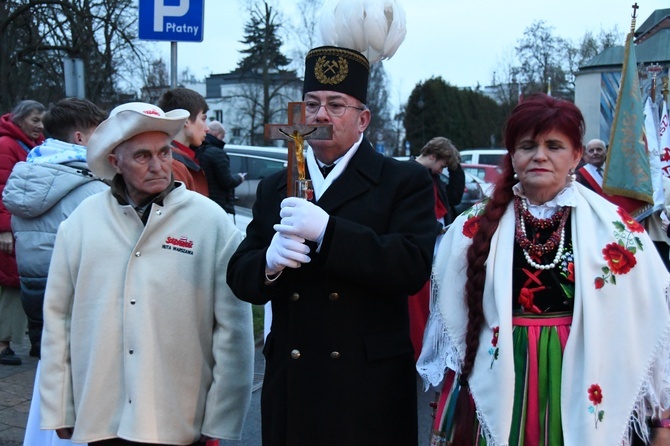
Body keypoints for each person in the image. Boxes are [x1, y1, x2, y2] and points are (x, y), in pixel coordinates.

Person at [417, 94, 670, 446]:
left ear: (576, 155)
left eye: (554, 145)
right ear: (513, 155)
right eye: (527, 145)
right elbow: (455, 325)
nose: (539, 155)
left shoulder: (616, 230)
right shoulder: (471, 228)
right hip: (498, 370)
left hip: (581, 368)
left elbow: (646, 323)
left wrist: (661, 423)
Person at [227, 45, 437, 446]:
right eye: (312, 104)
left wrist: (330, 233)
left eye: (336, 105)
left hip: (366, 385)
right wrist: (267, 265)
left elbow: (411, 267)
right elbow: (239, 275)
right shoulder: (277, 185)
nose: (320, 115)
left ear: (363, 119)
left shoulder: (402, 181)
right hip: (294, 380)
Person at [39, 102, 254, 445]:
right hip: (101, 415)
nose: (158, 166)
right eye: (142, 156)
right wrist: (59, 405)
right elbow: (57, 321)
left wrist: (221, 418)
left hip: (180, 417)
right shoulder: (80, 224)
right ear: (115, 161)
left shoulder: (209, 222)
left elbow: (233, 330)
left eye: (164, 152)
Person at [3, 97, 108, 446]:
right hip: (79, 298)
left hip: (35, 288)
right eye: (99, 132)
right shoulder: (89, 186)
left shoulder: (29, 173)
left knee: (50, 375)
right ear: (80, 138)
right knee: (79, 385)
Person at [409, 136, 465, 360]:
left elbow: (454, 196)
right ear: (432, 156)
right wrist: (433, 229)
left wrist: (455, 165)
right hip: (422, 246)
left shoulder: (431, 177)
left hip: (435, 246)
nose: (442, 170)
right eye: (442, 165)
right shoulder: (410, 173)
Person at [0, 99, 45, 365]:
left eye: (42, 120)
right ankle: (3, 342)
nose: (40, 126)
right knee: (10, 284)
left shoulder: (32, 145)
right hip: (12, 227)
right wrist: (4, 229)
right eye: (35, 120)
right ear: (19, 119)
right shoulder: (7, 145)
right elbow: (2, 188)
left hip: (22, 224)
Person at [157, 87, 209, 196]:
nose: (207, 128)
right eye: (203, 118)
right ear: (185, 120)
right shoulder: (172, 165)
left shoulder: (181, 159)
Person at [196, 120, 246, 216]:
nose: (223, 140)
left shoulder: (199, 150)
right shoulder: (218, 153)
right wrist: (239, 178)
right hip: (218, 203)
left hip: (204, 201)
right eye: (222, 137)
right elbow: (226, 181)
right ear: (217, 133)